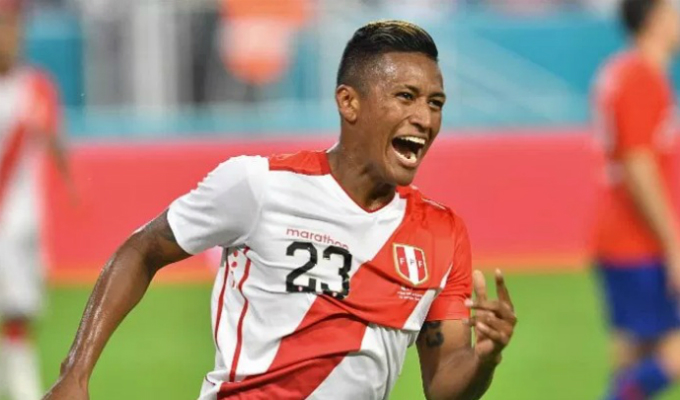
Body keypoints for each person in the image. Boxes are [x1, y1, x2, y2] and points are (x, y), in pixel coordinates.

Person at [44, 20, 517, 400]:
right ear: (349, 102)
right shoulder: (259, 185)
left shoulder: (441, 232)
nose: (425, 118)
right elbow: (143, 249)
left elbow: (444, 384)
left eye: (436, 103)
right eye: (406, 97)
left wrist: (485, 358)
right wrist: (75, 372)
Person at [592, 0, 680, 398]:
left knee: (633, 356)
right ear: (655, 19)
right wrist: (673, 243)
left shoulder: (619, 71)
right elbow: (639, 165)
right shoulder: (642, 76)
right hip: (638, 240)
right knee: (658, 357)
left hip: (620, 235)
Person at [0, 0, 76, 399]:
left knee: (22, 307)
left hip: (25, 219)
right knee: (16, 308)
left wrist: (72, 184)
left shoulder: (37, 86)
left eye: (13, 26)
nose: (8, 36)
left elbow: (54, 137)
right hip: (5, 221)